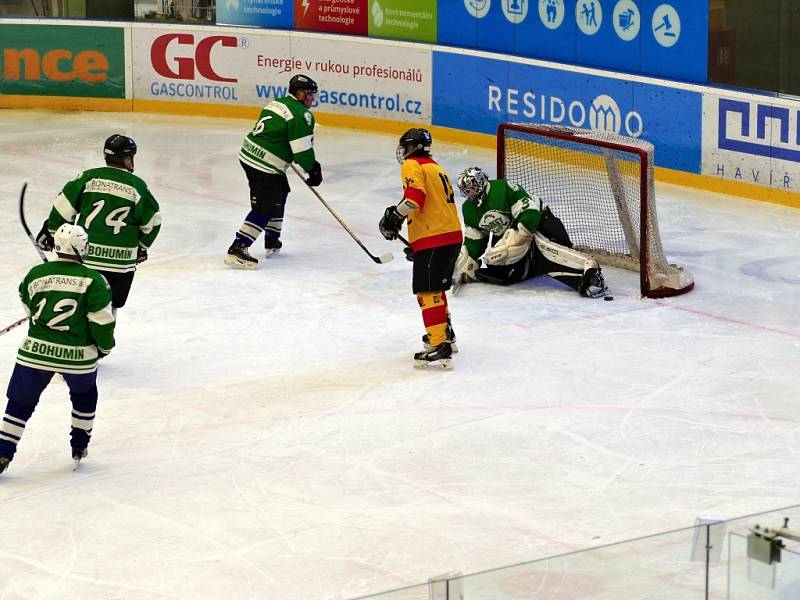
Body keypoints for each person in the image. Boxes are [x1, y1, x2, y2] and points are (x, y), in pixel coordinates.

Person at [0, 224, 115, 474]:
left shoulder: (36, 274)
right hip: (77, 357)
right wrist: (105, 347)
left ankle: (3, 452)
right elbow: (102, 322)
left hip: (35, 353)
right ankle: (79, 445)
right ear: (82, 247)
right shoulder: (94, 280)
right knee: (84, 397)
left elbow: (27, 305)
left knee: (19, 403)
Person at [36, 134, 162, 317]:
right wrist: (141, 248)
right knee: (108, 312)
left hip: (86, 258)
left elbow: (61, 211)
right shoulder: (137, 186)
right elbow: (153, 223)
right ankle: (103, 345)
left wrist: (54, 233)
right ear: (127, 159)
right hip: (121, 264)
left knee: (80, 307)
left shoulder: (88, 178)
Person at [379, 128, 463, 368]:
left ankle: (439, 345)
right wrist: (418, 242)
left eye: (405, 147)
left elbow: (415, 198)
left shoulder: (412, 164)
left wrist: (394, 216)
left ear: (412, 147)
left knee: (427, 292)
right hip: (450, 236)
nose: (403, 152)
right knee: (436, 288)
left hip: (435, 238)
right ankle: (446, 335)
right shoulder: (436, 167)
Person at [454, 166, 607, 297]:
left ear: (480, 181)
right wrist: (467, 263)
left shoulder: (502, 189)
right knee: (500, 268)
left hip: (542, 224)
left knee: (542, 249)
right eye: (466, 190)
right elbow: (475, 240)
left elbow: (531, 214)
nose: (470, 192)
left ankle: (590, 271)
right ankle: (533, 263)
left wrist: (515, 240)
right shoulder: (469, 209)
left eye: (472, 187)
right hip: (513, 233)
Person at [225, 73, 322, 269]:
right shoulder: (302, 115)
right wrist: (313, 170)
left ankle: (272, 239)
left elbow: (274, 133)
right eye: (310, 94)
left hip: (249, 154)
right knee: (265, 208)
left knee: (281, 191)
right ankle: (238, 249)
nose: (313, 98)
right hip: (264, 165)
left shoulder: (277, 103)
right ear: (300, 94)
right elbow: (301, 153)